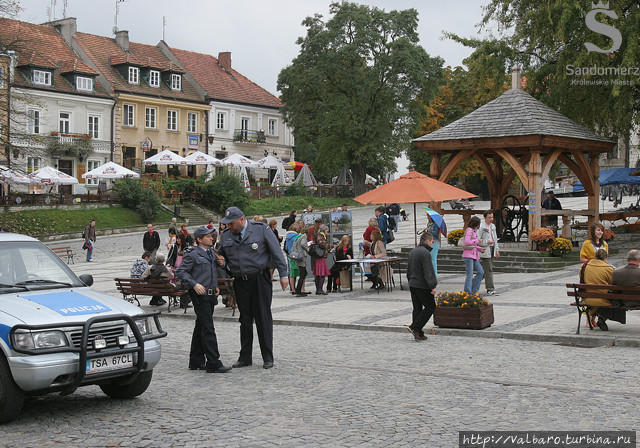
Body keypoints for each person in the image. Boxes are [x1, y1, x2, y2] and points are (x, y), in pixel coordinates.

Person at [218, 206, 288, 370]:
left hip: (259, 279)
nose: (228, 226)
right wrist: (224, 265)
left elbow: (276, 252)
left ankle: (267, 357)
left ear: (242, 220)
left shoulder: (260, 230)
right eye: (227, 224)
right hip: (240, 281)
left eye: (231, 223)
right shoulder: (226, 235)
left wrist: (284, 275)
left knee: (263, 318)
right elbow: (222, 258)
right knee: (245, 319)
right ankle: (245, 357)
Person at [176, 225, 232, 373]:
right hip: (200, 294)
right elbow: (181, 272)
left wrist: (222, 264)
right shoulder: (192, 254)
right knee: (208, 327)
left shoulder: (211, 253)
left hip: (211, 293)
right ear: (199, 239)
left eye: (211, 236)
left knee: (201, 325)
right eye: (208, 236)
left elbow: (213, 271)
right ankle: (213, 362)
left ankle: (195, 360)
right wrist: (194, 284)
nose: (211, 238)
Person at [406, 231, 437, 341]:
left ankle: (418, 333)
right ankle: (415, 327)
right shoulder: (425, 253)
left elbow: (408, 270)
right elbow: (428, 271)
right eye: (432, 241)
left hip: (413, 284)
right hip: (422, 285)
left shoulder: (413, 251)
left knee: (417, 308)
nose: (432, 244)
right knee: (431, 306)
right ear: (427, 241)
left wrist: (410, 280)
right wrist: (432, 285)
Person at [581, 249, 615, 330]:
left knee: (595, 294)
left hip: (586, 299)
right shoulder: (608, 268)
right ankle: (601, 318)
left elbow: (581, 279)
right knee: (614, 299)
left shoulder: (584, 266)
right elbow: (613, 283)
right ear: (605, 258)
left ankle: (590, 319)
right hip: (603, 300)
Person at [478, 210, 500, 296]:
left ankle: (472, 284)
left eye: (492, 217)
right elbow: (478, 240)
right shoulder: (481, 227)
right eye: (489, 217)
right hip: (485, 250)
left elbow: (495, 239)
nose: (491, 219)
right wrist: (487, 242)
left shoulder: (493, 226)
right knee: (489, 269)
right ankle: (490, 288)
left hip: (492, 249)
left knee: (484, 271)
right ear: (485, 217)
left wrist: (497, 249)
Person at [462, 216, 485, 294]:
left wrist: (479, 249)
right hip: (468, 256)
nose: (479, 226)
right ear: (476, 224)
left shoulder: (474, 231)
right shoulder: (469, 230)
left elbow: (473, 245)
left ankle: (474, 290)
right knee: (470, 274)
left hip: (474, 255)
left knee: (481, 272)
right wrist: (477, 240)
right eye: (478, 224)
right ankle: (467, 292)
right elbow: (467, 242)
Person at [290, 220, 310, 297]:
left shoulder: (298, 236)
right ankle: (299, 291)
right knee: (303, 274)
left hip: (298, 257)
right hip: (301, 257)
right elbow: (303, 244)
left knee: (303, 273)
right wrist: (308, 249)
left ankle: (298, 290)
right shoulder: (304, 236)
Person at [284, 221, 301, 293]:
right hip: (297, 256)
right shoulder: (297, 237)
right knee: (300, 272)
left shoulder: (287, 237)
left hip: (290, 255)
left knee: (291, 273)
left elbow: (286, 247)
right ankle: (299, 288)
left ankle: (292, 289)